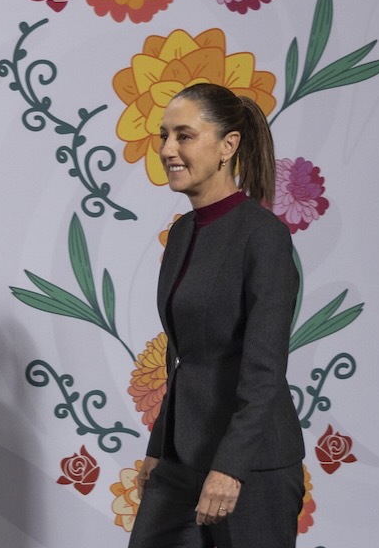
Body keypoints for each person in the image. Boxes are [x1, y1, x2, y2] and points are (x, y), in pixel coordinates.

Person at [127, 82, 305, 548]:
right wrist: (157, 449)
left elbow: (264, 368)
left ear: (228, 146)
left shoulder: (263, 236)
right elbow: (185, 359)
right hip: (182, 457)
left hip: (251, 467)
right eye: (164, 136)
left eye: (184, 136)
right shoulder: (183, 233)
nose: (167, 149)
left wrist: (230, 467)